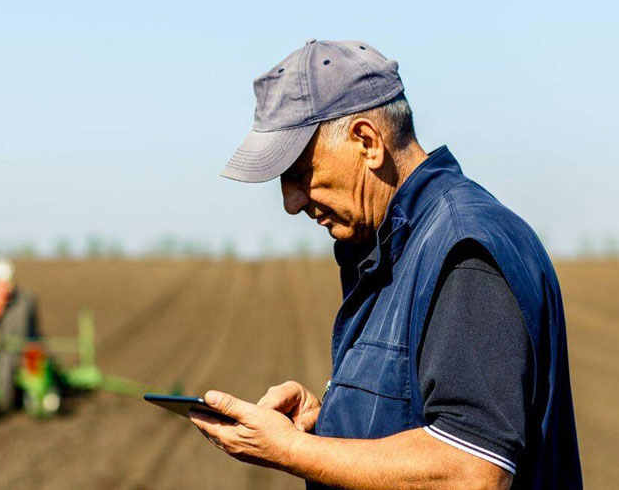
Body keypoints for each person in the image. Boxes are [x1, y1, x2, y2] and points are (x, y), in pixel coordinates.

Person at [188, 39, 582, 489]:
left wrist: (292, 450)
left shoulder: (463, 251)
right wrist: (333, 423)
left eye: (298, 174)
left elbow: (471, 472)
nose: (291, 202)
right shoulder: (397, 247)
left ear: (367, 142)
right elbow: (415, 419)